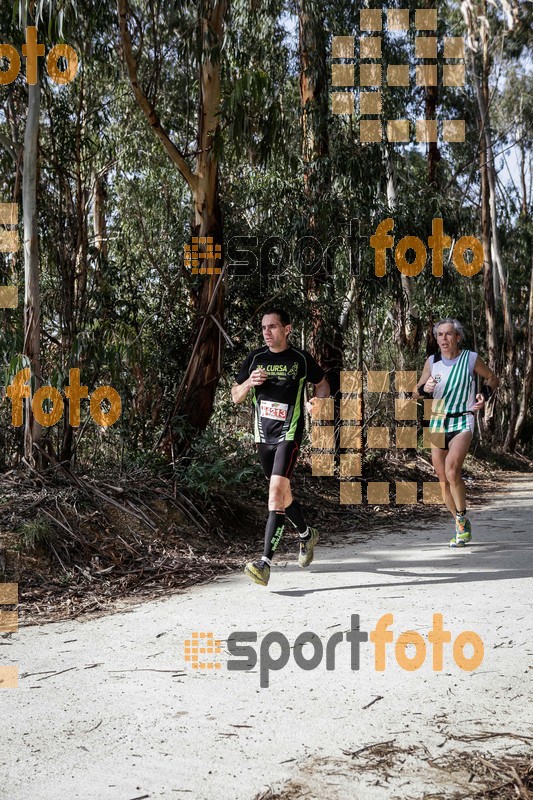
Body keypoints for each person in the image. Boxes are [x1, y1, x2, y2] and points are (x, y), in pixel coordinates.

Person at [232, 308, 330, 586]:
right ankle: (306, 534)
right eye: (264, 327)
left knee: (275, 493)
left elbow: (322, 384)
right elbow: (235, 396)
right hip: (263, 437)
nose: (267, 332)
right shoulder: (255, 359)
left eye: (273, 327)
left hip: (290, 432)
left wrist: (317, 402)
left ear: (287, 329)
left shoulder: (300, 359)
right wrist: (250, 382)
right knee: (283, 495)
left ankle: (264, 563)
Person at [413, 318, 499, 547]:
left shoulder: (470, 358)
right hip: (438, 418)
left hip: (463, 418)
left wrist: (484, 393)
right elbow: (415, 393)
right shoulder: (432, 362)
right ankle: (460, 521)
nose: (443, 338)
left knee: (452, 471)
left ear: (457, 337)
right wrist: (424, 388)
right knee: (442, 479)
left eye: (448, 334)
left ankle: (461, 520)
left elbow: (492, 378)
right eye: (440, 335)